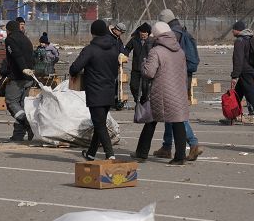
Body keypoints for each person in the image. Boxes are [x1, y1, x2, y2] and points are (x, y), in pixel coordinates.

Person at [131, 22, 189, 165]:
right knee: (178, 122)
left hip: (161, 92)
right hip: (179, 90)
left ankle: (141, 153)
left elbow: (149, 73)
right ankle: (180, 156)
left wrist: (144, 62)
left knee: (151, 120)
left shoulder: (156, 51)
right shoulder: (180, 51)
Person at [154, 9, 203, 161]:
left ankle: (193, 143)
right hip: (185, 76)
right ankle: (167, 146)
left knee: (175, 113)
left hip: (175, 78)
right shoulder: (184, 31)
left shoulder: (173, 35)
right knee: (172, 112)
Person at [70, 20, 119, 160]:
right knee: (100, 123)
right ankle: (91, 154)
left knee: (99, 124)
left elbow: (75, 68)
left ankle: (110, 155)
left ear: (93, 33)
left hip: (95, 92)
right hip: (109, 90)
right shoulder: (114, 49)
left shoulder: (90, 50)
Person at [230, 20, 254, 126]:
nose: (232, 31)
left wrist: (235, 76)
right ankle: (231, 116)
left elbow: (238, 60)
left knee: (251, 94)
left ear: (237, 30)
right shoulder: (250, 38)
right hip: (251, 70)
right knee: (237, 95)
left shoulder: (239, 41)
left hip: (245, 72)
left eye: (233, 29)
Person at [4, 20, 35, 142]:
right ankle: (18, 134)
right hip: (29, 77)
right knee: (22, 105)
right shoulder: (26, 39)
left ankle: (28, 124)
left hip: (18, 76)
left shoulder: (10, 40)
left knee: (11, 102)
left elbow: (16, 55)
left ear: (8, 30)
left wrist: (23, 69)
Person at [124, 22, 153, 101]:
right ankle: (137, 99)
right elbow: (127, 48)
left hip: (147, 68)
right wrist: (125, 55)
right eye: (141, 34)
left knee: (145, 87)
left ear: (148, 33)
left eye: (145, 35)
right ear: (139, 33)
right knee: (133, 86)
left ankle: (144, 100)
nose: (143, 36)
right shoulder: (135, 39)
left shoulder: (151, 41)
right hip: (136, 67)